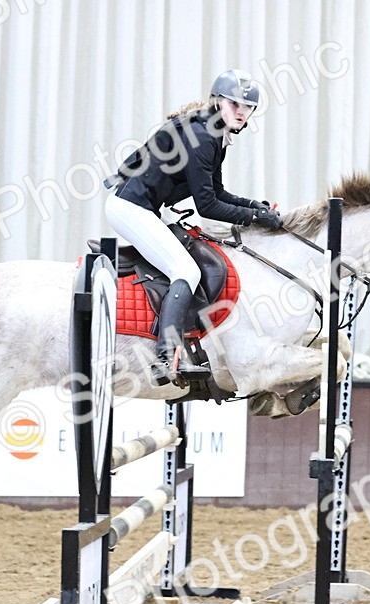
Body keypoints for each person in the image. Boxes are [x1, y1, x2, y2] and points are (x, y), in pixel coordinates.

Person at [105, 68, 283, 385]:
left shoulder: (213, 136)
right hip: (130, 209)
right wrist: (255, 219)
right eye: (235, 104)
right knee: (186, 271)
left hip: (141, 208)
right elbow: (208, 207)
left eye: (248, 107)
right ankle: (164, 356)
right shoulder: (203, 138)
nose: (242, 112)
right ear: (216, 102)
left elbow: (218, 193)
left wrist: (253, 206)